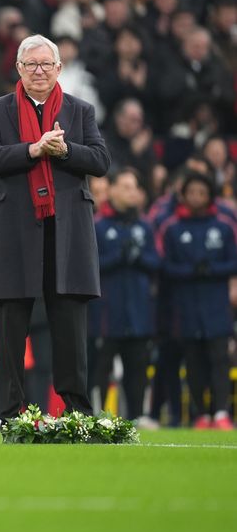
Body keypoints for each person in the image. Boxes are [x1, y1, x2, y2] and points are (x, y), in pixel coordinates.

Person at [0, 34, 110, 428]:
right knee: (11, 326)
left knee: (69, 326)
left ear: (59, 69)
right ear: (18, 68)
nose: (38, 71)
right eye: (30, 64)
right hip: (15, 231)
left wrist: (63, 151)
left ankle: (77, 411)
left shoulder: (79, 110)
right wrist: (33, 149)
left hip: (66, 233)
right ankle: (11, 414)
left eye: (46, 64)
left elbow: (101, 160)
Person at [160, 172, 237, 430]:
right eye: (192, 192)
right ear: (184, 195)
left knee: (219, 360)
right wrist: (192, 270)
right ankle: (201, 414)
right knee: (192, 362)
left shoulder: (224, 225)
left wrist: (212, 269)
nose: (196, 197)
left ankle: (221, 413)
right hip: (186, 306)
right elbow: (166, 267)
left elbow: (233, 262)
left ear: (209, 195)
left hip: (216, 305)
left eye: (201, 192)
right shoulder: (173, 228)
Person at [90, 168, 161, 425]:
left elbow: (157, 261)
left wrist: (138, 257)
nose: (133, 193)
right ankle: (96, 416)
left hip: (138, 313)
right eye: (127, 187)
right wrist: (118, 256)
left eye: (135, 187)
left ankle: (137, 416)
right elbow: (90, 265)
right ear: (113, 190)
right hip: (107, 314)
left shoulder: (145, 225)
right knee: (100, 369)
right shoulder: (98, 225)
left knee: (138, 369)